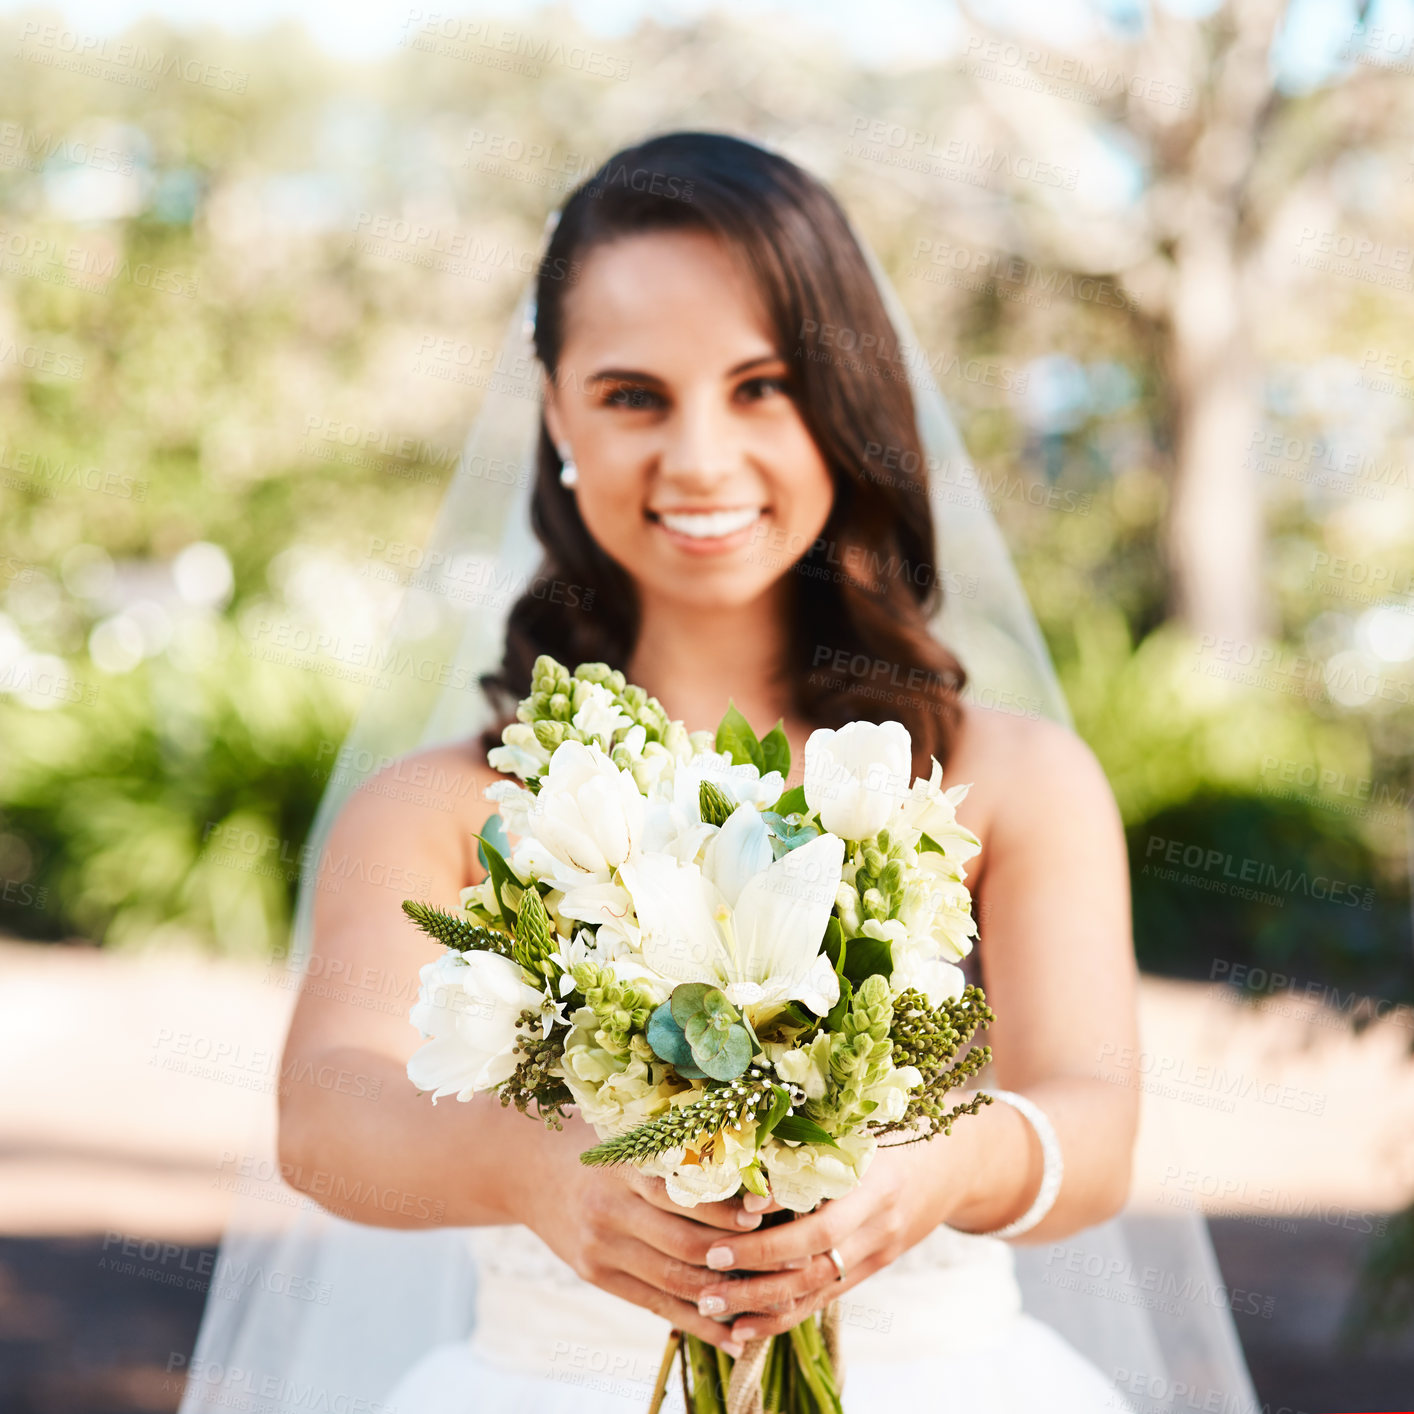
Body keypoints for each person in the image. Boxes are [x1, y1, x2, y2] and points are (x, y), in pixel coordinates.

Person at [274, 131, 1143, 1412]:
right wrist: (534, 1170)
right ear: (557, 406)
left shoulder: (1011, 779)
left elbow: (1101, 1129)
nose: (697, 460)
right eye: (633, 394)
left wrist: (944, 1167)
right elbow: (322, 1116)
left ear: (844, 401)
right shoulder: (444, 809)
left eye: (762, 386)